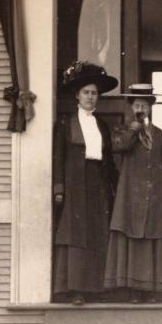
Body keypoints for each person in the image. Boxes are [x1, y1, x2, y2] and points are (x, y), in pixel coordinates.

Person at [52, 61, 119, 305]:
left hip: (97, 181)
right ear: (77, 96)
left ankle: (94, 288)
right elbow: (58, 157)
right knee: (75, 233)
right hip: (74, 183)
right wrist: (59, 188)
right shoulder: (65, 123)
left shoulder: (101, 125)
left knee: (96, 231)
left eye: (94, 93)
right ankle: (73, 289)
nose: (91, 97)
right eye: (86, 93)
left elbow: (109, 160)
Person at [103, 84, 162, 303]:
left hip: (154, 194)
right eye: (137, 104)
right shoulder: (122, 130)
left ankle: (150, 290)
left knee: (151, 237)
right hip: (130, 194)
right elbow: (120, 147)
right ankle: (132, 289)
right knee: (132, 236)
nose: (141, 108)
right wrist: (134, 128)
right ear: (131, 107)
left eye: (145, 104)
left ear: (151, 107)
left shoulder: (161, 135)